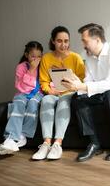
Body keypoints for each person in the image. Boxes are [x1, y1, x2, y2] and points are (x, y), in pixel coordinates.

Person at [62, 23, 110, 161]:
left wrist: (82, 86)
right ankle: (94, 143)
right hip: (104, 93)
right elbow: (89, 81)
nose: (83, 45)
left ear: (97, 40)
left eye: (85, 41)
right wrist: (77, 84)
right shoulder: (89, 57)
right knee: (78, 98)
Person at [32, 26, 85, 160]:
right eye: (60, 41)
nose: (63, 45)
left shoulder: (76, 58)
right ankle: (46, 143)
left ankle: (57, 144)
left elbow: (84, 80)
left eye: (66, 41)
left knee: (64, 101)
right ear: (53, 41)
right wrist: (50, 91)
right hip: (52, 92)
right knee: (46, 101)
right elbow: (43, 81)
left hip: (69, 93)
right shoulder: (46, 58)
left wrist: (74, 83)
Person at [0, 41, 44, 155]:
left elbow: (47, 84)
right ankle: (10, 138)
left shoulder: (44, 67)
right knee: (18, 103)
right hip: (22, 93)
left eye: (39, 56)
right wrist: (31, 70)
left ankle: (22, 135)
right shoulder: (21, 67)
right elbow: (21, 87)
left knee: (33, 103)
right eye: (33, 56)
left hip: (38, 94)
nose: (36, 59)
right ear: (26, 55)